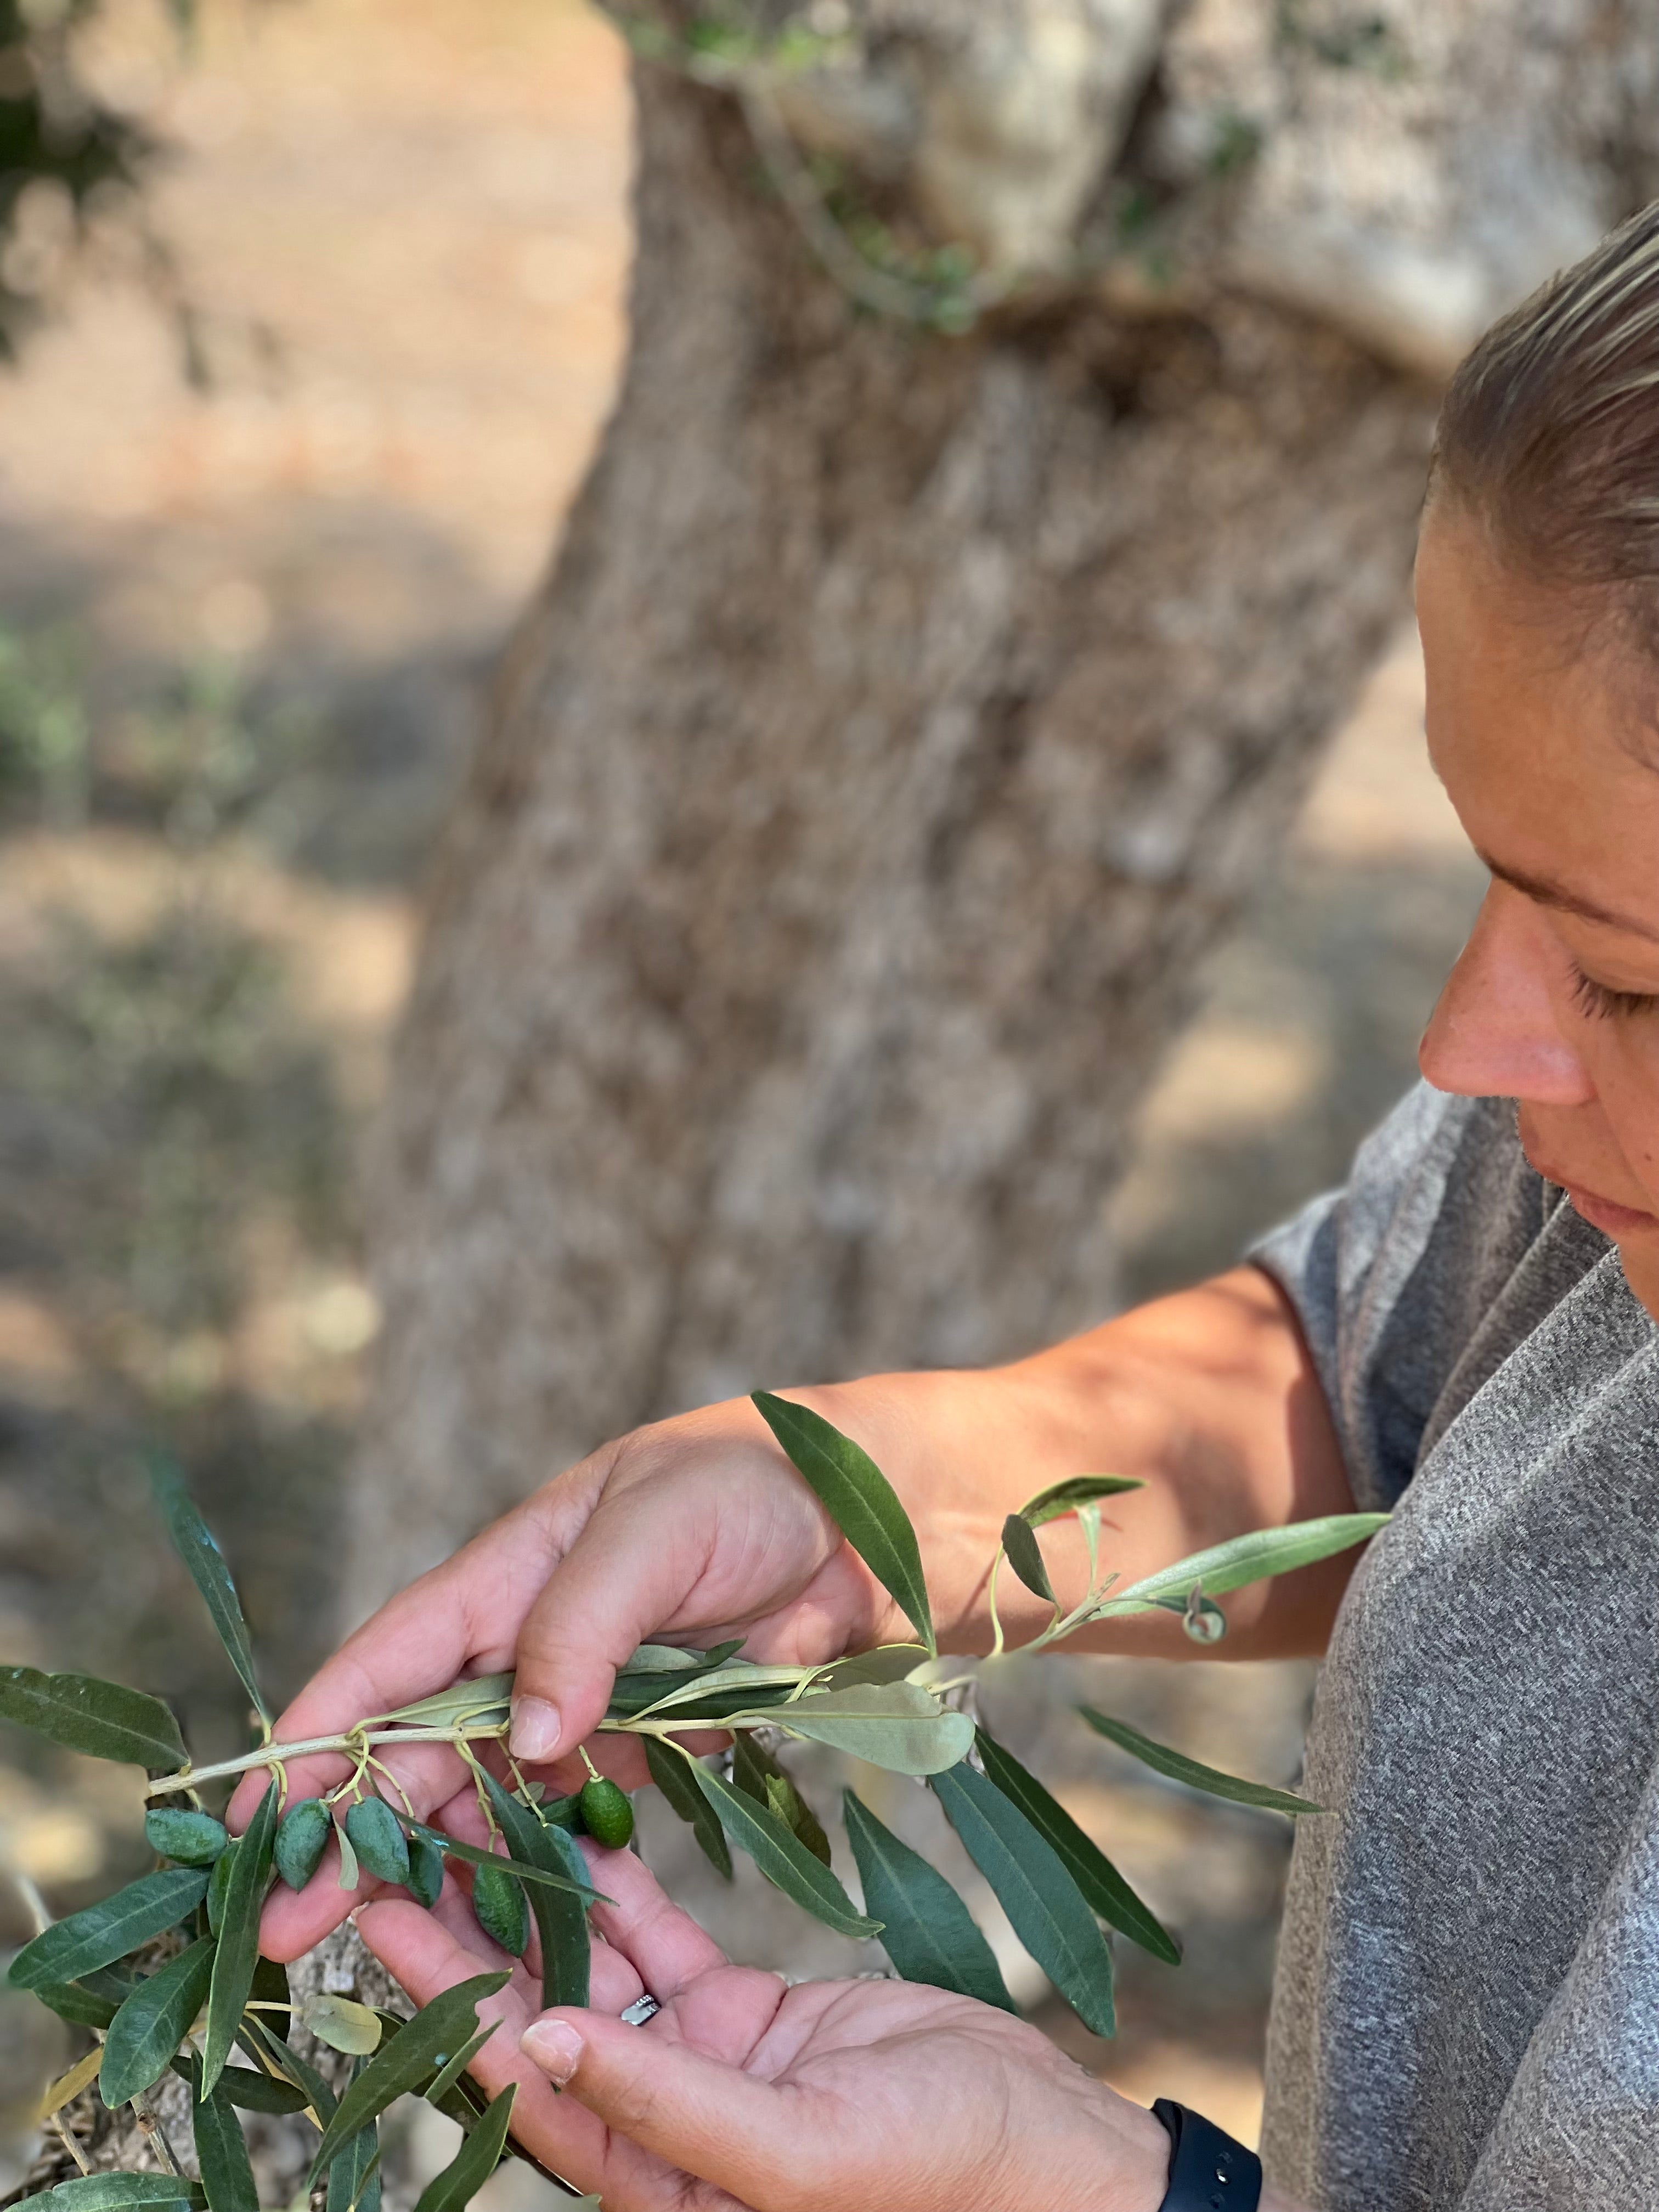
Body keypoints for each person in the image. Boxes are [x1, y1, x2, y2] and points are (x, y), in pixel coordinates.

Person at [241, 202, 1659, 2212]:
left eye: (1624, 973)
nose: (1471, 1040)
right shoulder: (1602, 1183)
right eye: (1483, 875)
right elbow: (1376, 1389)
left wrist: (1080, 2191)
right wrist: (862, 1517)